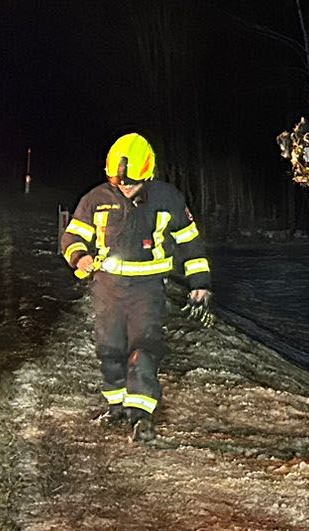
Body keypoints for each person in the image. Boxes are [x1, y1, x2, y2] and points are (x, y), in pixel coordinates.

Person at [62, 133, 210, 439]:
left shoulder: (168, 199)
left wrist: (200, 283)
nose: (125, 187)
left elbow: (190, 243)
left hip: (148, 289)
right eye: (119, 182)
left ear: (148, 174)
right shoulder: (96, 199)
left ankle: (142, 416)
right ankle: (116, 406)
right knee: (109, 348)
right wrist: (79, 257)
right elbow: (72, 236)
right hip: (107, 289)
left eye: (131, 182)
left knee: (144, 348)